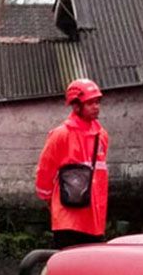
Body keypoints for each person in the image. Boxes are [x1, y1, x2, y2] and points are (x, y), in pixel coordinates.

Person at [35, 79, 111, 248]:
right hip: (68, 220)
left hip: (94, 219)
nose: (96, 107)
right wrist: (48, 199)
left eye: (97, 102)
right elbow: (45, 170)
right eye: (90, 103)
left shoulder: (101, 136)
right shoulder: (61, 135)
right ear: (76, 106)